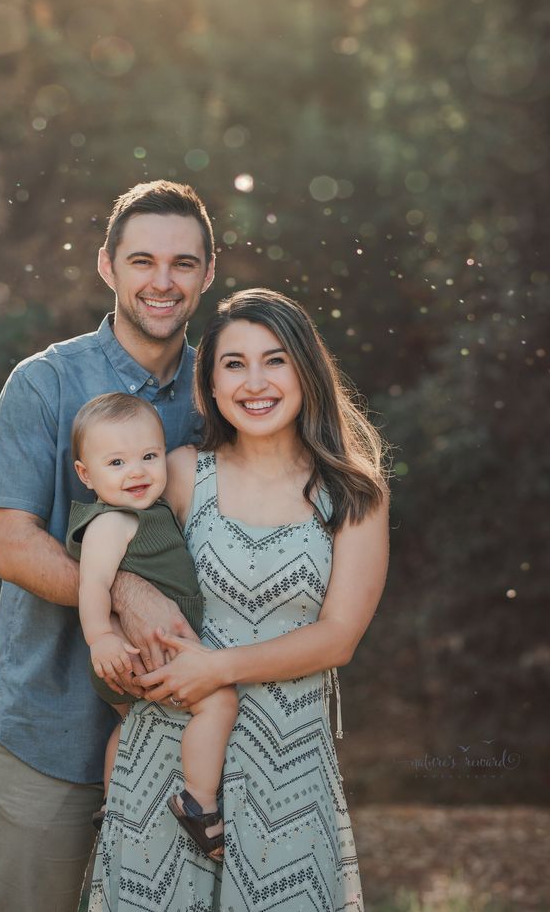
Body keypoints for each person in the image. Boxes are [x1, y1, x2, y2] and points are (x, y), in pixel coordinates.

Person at [89, 287, 390, 912]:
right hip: (167, 758)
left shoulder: (353, 493)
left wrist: (216, 669)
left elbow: (339, 637)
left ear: (306, 370)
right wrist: (118, 628)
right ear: (211, 384)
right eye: (234, 363)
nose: (256, 381)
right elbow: (105, 553)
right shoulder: (177, 472)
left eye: (275, 360)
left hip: (288, 765)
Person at [0, 180, 216, 912]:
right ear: (106, 266)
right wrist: (124, 592)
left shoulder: (225, 388)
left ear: (209, 272)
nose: (162, 281)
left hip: (188, 728)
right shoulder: (44, 384)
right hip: (53, 726)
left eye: (183, 263)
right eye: (142, 260)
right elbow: (12, 547)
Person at [66, 392, 239, 861]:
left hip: (135, 656)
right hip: (144, 652)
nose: (137, 471)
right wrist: (101, 636)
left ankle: (112, 800)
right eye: (117, 462)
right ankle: (198, 802)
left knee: (129, 723)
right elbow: (94, 585)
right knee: (219, 702)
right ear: (86, 475)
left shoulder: (148, 511)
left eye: (148, 456)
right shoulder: (113, 522)